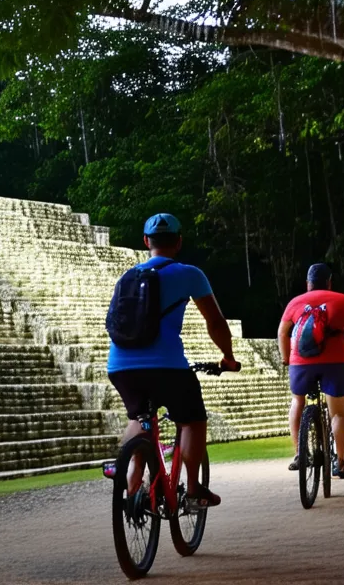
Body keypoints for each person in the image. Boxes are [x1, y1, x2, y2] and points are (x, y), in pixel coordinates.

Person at [107, 213, 240, 507]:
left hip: (120, 366)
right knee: (192, 420)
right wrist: (227, 358)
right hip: (167, 366)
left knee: (139, 418)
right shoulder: (189, 274)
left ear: (145, 242)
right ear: (179, 242)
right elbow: (216, 322)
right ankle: (193, 491)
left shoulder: (127, 277)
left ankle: (130, 487)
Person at [277, 263, 344, 479]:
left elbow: (282, 333)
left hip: (300, 362)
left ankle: (300, 454)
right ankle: (341, 463)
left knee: (297, 402)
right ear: (329, 282)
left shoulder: (295, 302)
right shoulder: (343, 300)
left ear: (308, 283)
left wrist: (285, 359)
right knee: (338, 413)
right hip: (334, 363)